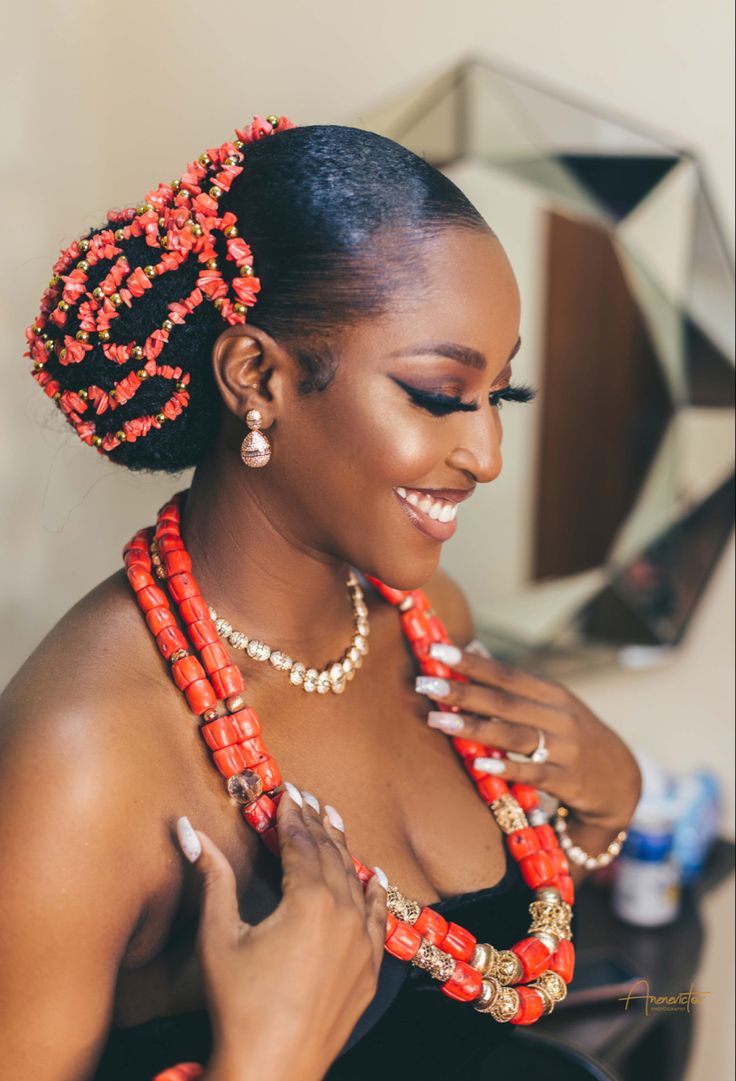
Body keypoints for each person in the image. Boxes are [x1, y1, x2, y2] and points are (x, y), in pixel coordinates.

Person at [1, 117, 641, 1081]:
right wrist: (265, 1063)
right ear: (258, 377)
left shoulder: (433, 630)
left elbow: (475, 982)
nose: (487, 455)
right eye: (437, 393)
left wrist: (604, 812)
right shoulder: (80, 762)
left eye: (500, 396)